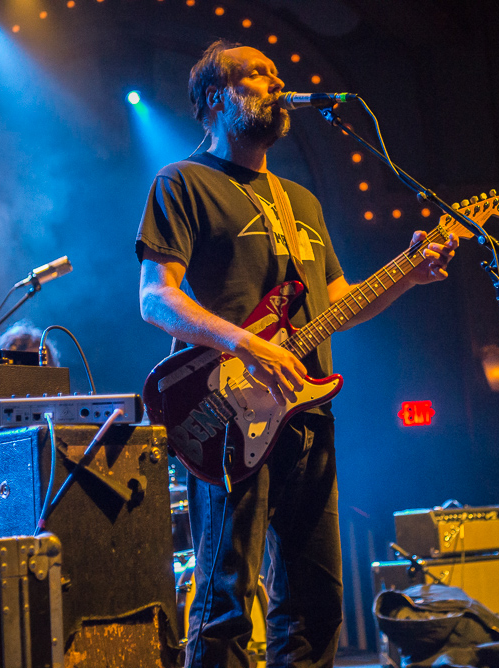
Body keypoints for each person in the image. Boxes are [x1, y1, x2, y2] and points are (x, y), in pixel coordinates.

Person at [136, 40, 457, 668]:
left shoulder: (301, 202)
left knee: (317, 602)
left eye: (276, 73)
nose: (274, 81)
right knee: (227, 598)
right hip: (225, 414)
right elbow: (156, 300)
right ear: (213, 100)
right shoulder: (183, 183)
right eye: (255, 74)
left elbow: (339, 301)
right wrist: (246, 343)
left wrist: (408, 275)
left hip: (306, 415)